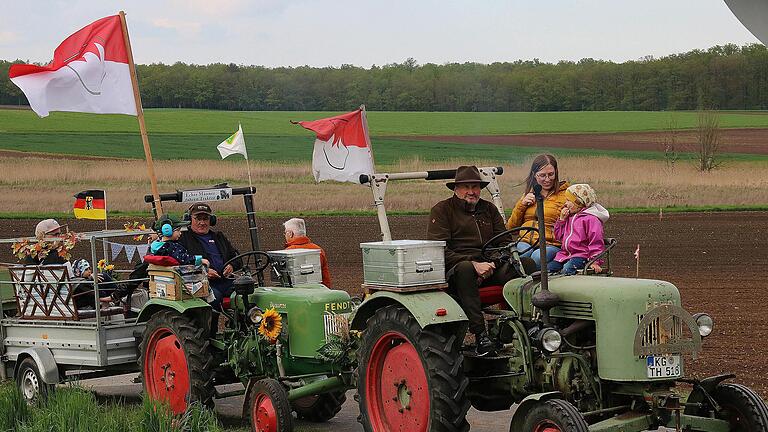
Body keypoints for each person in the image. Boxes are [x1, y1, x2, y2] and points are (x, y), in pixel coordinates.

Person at [427, 165, 532, 357]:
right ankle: (481, 335)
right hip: (456, 270)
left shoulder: (488, 209)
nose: (471, 192)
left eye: (475, 187)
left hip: (490, 266)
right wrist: (475, 264)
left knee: (526, 264)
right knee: (466, 269)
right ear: (455, 189)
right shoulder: (442, 210)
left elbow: (504, 242)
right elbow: (439, 250)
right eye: (466, 187)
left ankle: (521, 329)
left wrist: (494, 263)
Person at [506, 154, 570, 268]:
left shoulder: (566, 195)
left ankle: (536, 283)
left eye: (551, 174)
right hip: (525, 242)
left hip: (551, 244)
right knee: (521, 255)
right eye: (542, 175)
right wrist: (522, 205)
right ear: (534, 175)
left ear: (556, 172)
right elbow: (511, 228)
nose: (547, 179)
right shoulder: (528, 195)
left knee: (537, 257)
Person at [178, 203, 242, 308]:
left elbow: (237, 258)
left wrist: (232, 266)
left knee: (247, 291)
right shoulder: (184, 239)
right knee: (215, 298)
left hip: (226, 281)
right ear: (189, 220)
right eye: (198, 219)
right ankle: (211, 324)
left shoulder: (219, 237)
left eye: (205, 219)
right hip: (201, 284)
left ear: (211, 220)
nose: (202, 223)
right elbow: (181, 263)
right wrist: (204, 272)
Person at [549, 184, 610, 275]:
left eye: (569, 200)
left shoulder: (591, 219)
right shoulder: (569, 217)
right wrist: (561, 220)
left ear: (579, 203)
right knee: (548, 269)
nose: (565, 203)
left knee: (567, 270)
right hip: (564, 255)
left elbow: (596, 242)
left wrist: (595, 261)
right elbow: (558, 237)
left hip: (582, 256)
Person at [283, 218, 332, 287]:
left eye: (285, 233)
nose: (285, 235)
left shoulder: (288, 252)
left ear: (290, 234)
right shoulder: (318, 250)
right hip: (319, 292)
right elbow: (326, 279)